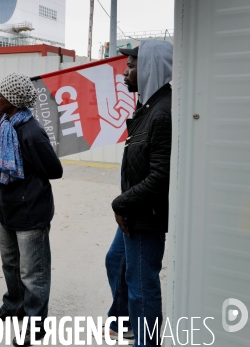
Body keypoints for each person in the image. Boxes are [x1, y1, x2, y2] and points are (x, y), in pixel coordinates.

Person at [105, 41, 172, 347]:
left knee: (142, 288)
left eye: (131, 65)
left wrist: (121, 202)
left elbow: (160, 176)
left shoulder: (163, 113)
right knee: (115, 261)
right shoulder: (148, 107)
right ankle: (123, 322)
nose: (125, 72)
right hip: (135, 211)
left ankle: (144, 341)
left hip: (146, 214)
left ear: (149, 66)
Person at [0, 73, 63, 346]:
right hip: (7, 211)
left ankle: (35, 324)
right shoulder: (4, 122)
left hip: (30, 213)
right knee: (10, 265)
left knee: (33, 274)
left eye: (1, 94)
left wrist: (27, 178)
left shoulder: (31, 131)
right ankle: (13, 306)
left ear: (15, 100)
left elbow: (54, 170)